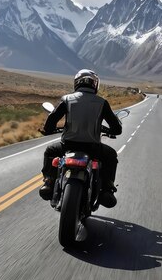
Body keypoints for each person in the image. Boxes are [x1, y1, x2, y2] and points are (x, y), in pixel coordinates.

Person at [39, 69, 122, 208]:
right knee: (111, 155)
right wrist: (108, 130)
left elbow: (52, 118)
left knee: (50, 151)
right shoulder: (102, 102)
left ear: (76, 83)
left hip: (67, 146)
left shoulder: (67, 99)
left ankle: (49, 182)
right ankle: (107, 190)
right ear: (95, 85)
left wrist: (48, 130)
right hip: (93, 148)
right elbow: (117, 129)